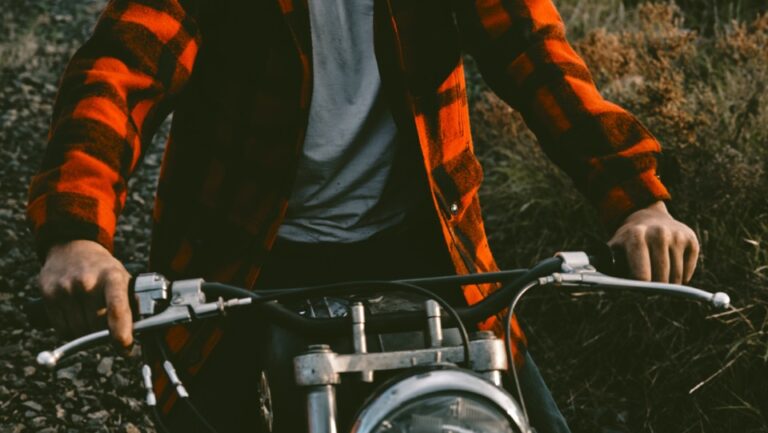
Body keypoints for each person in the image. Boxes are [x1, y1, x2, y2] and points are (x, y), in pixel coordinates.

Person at [27, 0, 700, 432]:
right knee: (203, 417)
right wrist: (77, 234)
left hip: (421, 239)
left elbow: (535, 53)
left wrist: (638, 200)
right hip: (244, 251)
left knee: (524, 421)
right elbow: (120, 67)